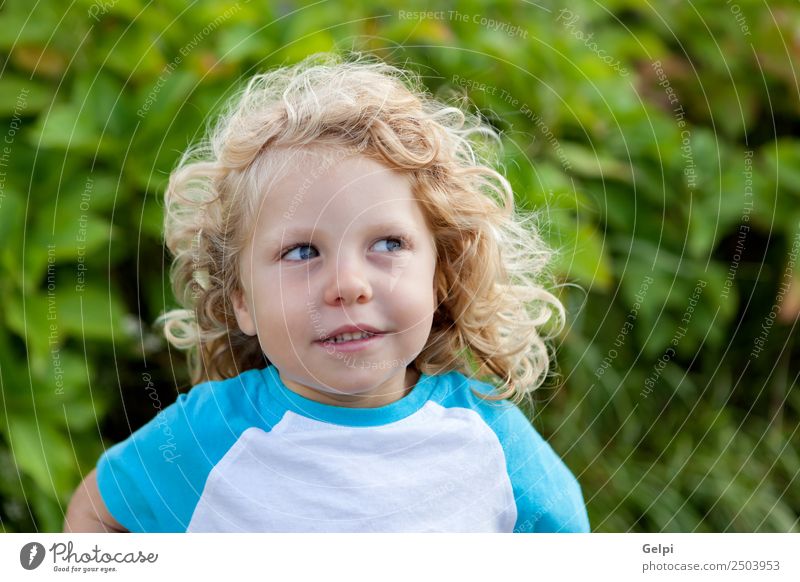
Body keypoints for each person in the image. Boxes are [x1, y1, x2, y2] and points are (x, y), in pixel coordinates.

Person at [64, 52, 590, 533]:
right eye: (300, 253)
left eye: (387, 242)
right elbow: (95, 517)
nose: (347, 286)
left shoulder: (488, 438)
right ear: (241, 299)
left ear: (440, 276)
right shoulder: (211, 435)